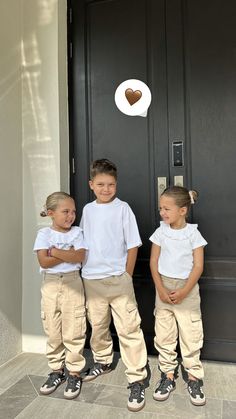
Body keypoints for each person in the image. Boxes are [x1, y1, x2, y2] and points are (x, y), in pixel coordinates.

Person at [80, 159, 147, 412]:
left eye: (110, 185)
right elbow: (84, 242)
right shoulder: (87, 210)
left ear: (116, 185)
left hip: (119, 279)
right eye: (100, 184)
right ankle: (103, 361)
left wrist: (127, 275)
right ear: (91, 185)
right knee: (97, 324)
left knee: (129, 327)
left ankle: (137, 376)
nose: (106, 189)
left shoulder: (123, 208)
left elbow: (132, 244)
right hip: (92, 279)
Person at [149, 186, 207, 406]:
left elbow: (198, 265)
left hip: (187, 288)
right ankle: (167, 375)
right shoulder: (161, 231)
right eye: (160, 208)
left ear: (183, 210)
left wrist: (184, 291)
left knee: (190, 332)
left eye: (167, 209)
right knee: (164, 333)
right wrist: (161, 289)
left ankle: (194, 376)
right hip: (163, 286)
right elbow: (154, 262)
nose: (162, 213)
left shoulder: (193, 233)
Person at [33, 192, 87, 400]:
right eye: (65, 211)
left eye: (73, 211)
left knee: (74, 328)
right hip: (51, 284)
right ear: (51, 213)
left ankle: (74, 372)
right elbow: (43, 262)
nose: (71, 216)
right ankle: (56, 370)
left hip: (73, 280)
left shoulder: (77, 232)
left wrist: (54, 252)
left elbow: (80, 256)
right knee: (53, 329)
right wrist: (66, 254)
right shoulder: (43, 234)